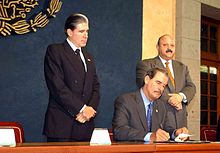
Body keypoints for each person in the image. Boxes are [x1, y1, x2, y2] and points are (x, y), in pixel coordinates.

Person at [43, 13, 100, 142]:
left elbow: (95, 87)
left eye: (87, 31)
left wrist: (89, 110)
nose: (86, 35)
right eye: (81, 31)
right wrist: (82, 109)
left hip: (85, 125)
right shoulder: (55, 51)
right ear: (69, 32)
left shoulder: (88, 56)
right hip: (62, 125)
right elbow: (57, 86)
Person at [136, 34, 196, 129]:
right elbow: (144, 86)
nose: (169, 48)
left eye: (172, 45)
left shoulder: (182, 67)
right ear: (157, 47)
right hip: (157, 118)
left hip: (180, 120)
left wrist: (180, 97)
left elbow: (191, 87)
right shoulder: (146, 64)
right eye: (165, 45)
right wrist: (173, 100)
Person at [112, 68, 188, 142]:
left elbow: (165, 129)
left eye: (164, 86)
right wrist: (150, 136)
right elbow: (119, 131)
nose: (161, 89)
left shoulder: (161, 105)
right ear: (147, 80)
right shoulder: (126, 101)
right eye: (158, 83)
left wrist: (176, 133)